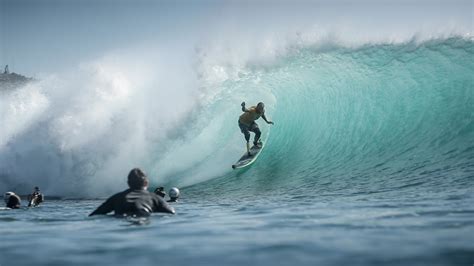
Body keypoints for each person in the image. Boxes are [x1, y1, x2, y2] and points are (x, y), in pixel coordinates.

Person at [89, 168, 175, 217]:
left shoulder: (117, 198)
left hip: (122, 217)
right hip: (143, 216)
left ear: (128, 183)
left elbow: (94, 215)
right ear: (146, 183)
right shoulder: (153, 198)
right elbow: (172, 213)